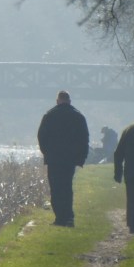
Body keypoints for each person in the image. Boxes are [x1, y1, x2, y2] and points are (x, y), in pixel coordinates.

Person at [37, 90, 90, 227]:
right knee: (67, 186)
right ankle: (68, 217)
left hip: (54, 158)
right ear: (69, 101)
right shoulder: (78, 116)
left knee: (56, 188)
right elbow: (84, 139)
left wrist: (46, 153)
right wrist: (81, 157)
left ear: (57, 101)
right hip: (70, 159)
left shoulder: (49, 115)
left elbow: (41, 136)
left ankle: (60, 218)